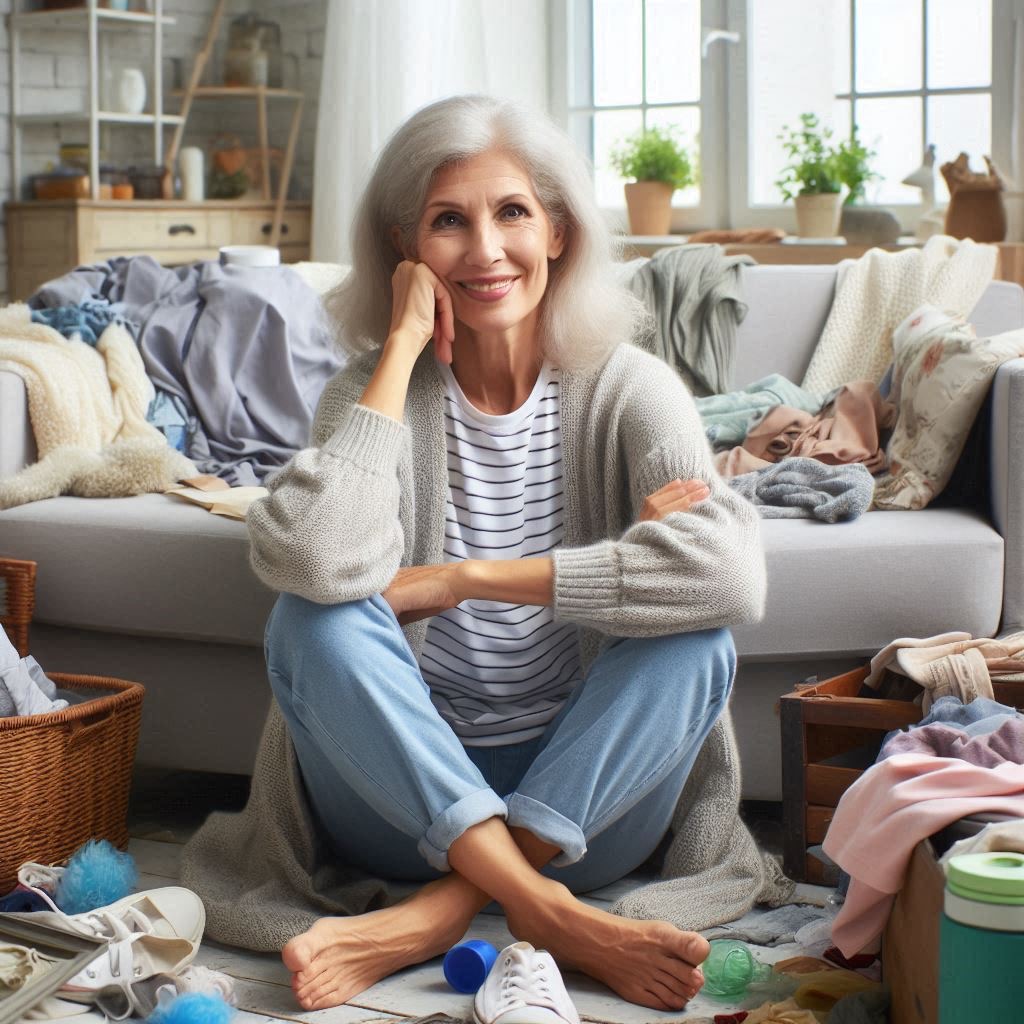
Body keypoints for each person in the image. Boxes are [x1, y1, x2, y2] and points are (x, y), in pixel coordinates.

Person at [243, 94, 767, 1015]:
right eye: (450, 221)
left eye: (512, 212)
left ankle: (440, 913)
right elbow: (315, 560)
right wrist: (401, 348)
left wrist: (461, 579)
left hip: (588, 812)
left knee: (696, 639)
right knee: (307, 621)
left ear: (558, 231)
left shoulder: (633, 390)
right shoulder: (370, 396)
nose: (485, 250)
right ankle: (547, 914)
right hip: (398, 803)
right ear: (407, 245)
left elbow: (728, 573)